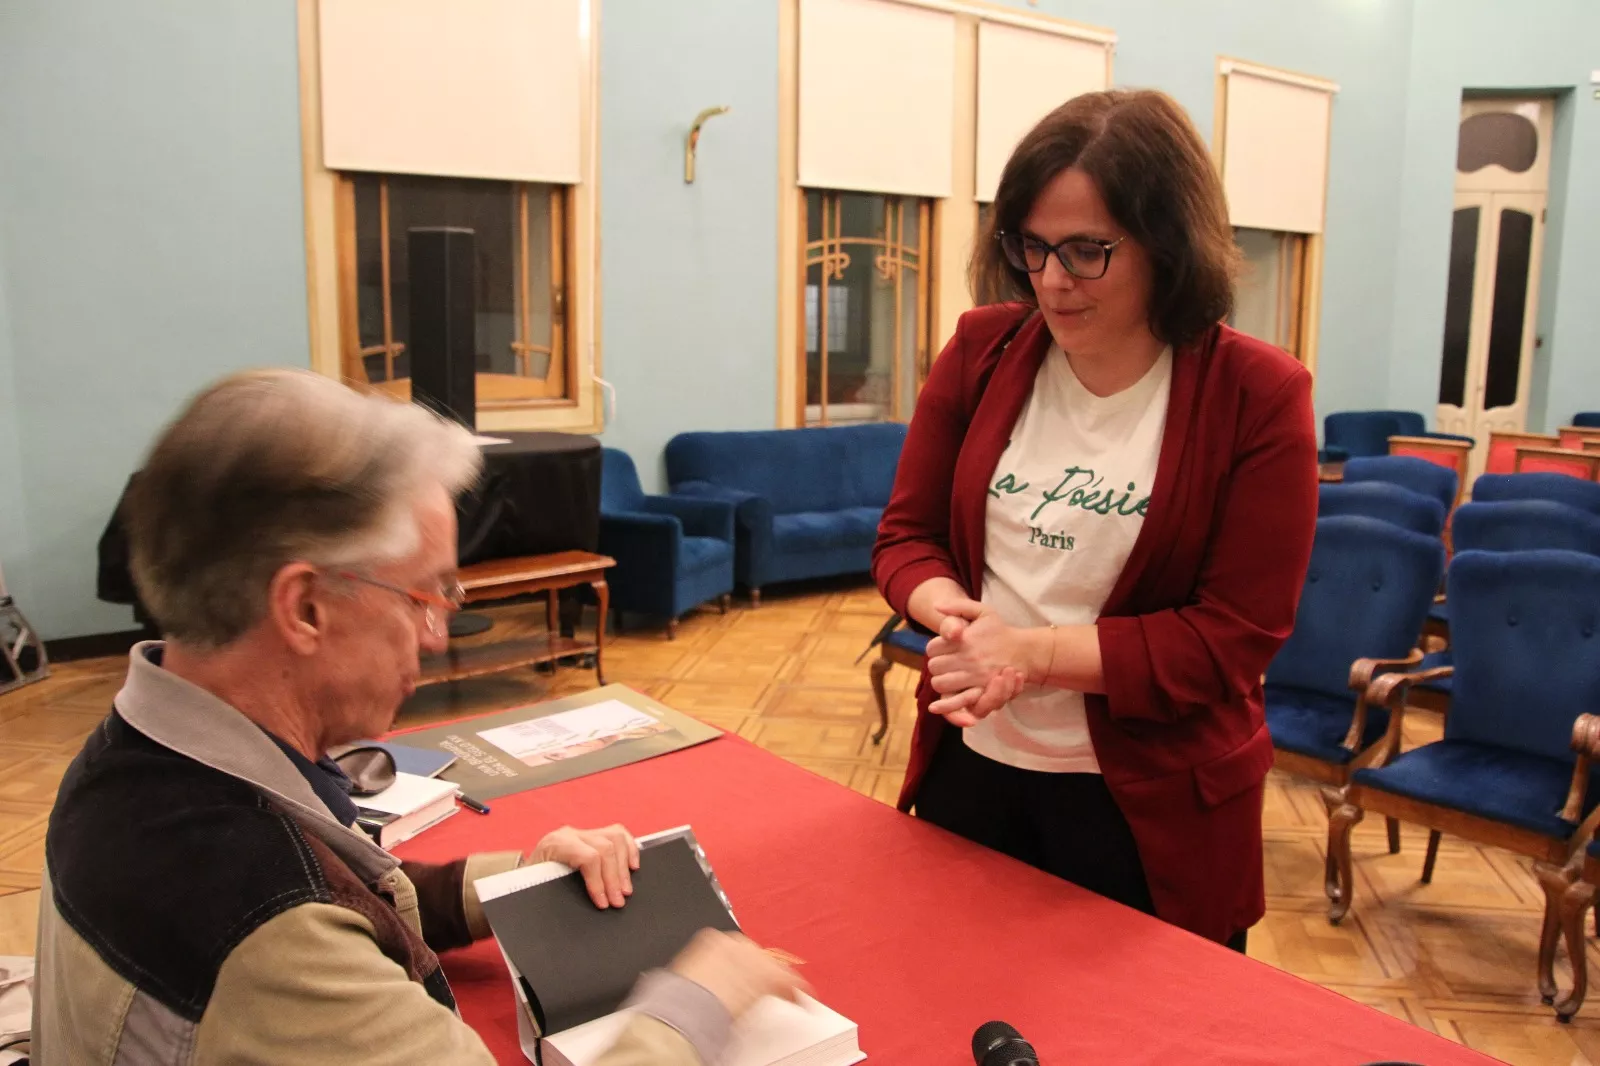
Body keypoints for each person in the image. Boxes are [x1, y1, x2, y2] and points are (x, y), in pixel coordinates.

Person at [32, 369, 802, 1064]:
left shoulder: (130, 755)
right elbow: (302, 922)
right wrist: (699, 999)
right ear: (303, 607)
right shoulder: (263, 922)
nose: (438, 636)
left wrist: (523, 877)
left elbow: (351, 886)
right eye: (425, 596)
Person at [872, 90, 1318, 949]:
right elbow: (907, 537)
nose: (1050, 281)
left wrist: (1029, 654)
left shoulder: (1257, 395)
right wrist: (951, 614)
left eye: (1086, 251)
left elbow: (1233, 637)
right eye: (1031, 247)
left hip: (1150, 809)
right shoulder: (982, 350)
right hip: (977, 768)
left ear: (1168, 243)